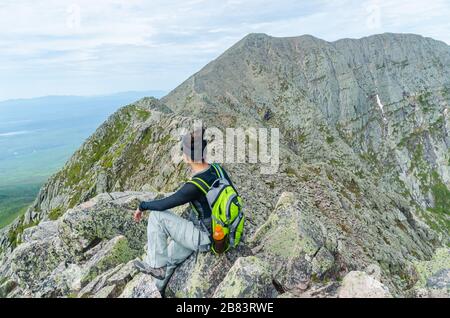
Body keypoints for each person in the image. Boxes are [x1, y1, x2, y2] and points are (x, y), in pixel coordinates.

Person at [132, 128, 235, 281]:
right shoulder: (218, 170)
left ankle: (156, 267)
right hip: (224, 231)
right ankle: (157, 288)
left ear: (187, 157)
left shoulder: (195, 185)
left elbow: (164, 205)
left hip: (205, 237)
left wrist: (142, 206)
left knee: (156, 216)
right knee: (171, 258)